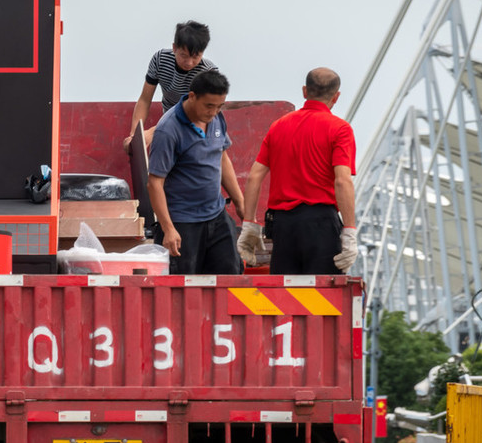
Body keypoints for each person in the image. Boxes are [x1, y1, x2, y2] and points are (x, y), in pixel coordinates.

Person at [237, 67, 357, 275]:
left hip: (283, 226)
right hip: (321, 224)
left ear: (304, 91)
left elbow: (255, 176)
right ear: (336, 97)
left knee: (285, 297)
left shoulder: (278, 126)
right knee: (323, 299)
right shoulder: (340, 129)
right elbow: (342, 181)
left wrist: (249, 224)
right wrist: (349, 230)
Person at [146, 69, 244, 275]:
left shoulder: (216, 118)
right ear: (192, 97)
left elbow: (222, 157)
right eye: (209, 106)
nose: (213, 112)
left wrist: (240, 202)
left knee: (231, 276)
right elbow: (155, 183)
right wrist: (168, 228)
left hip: (216, 216)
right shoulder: (168, 130)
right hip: (183, 222)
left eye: (219, 106)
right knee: (184, 287)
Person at [123, 20, 219, 152]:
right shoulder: (160, 60)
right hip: (168, 125)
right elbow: (145, 100)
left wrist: (154, 131)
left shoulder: (209, 73)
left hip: (197, 127)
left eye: (195, 57)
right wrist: (135, 136)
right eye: (183, 55)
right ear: (174, 48)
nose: (189, 63)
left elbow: (196, 114)